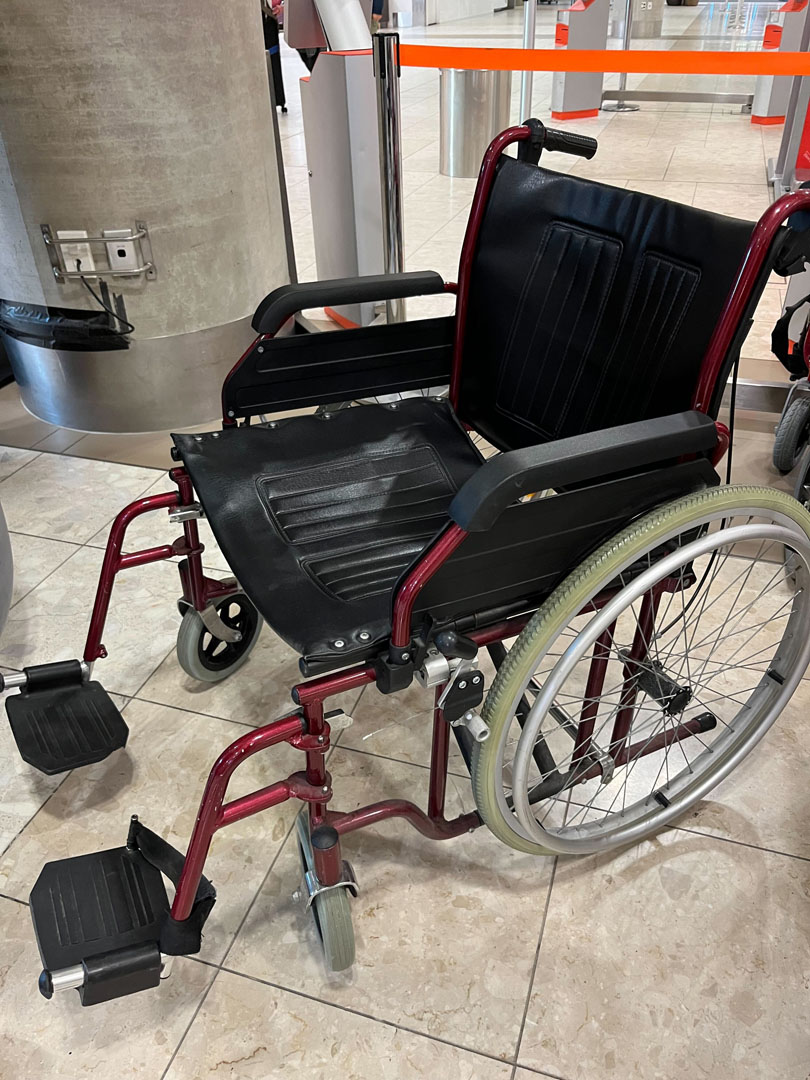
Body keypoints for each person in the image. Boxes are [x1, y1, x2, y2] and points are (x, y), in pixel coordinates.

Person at [261, 0, 287, 113]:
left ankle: (278, 98)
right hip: (258, 18)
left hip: (269, 18)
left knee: (273, 60)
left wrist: (281, 7)